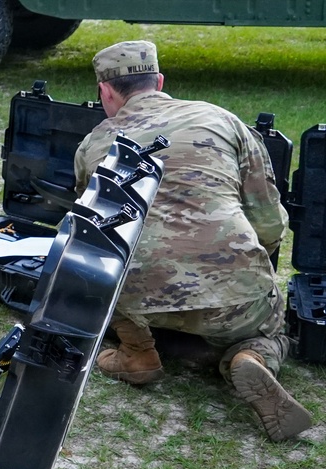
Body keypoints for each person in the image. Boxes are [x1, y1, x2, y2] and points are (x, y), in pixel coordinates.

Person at [74, 39, 312, 443]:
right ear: (160, 81)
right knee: (272, 329)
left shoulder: (93, 144)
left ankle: (137, 352)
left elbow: (92, 237)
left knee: (106, 263)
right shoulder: (222, 120)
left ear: (106, 92)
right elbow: (270, 225)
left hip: (136, 302)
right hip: (233, 299)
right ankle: (251, 354)